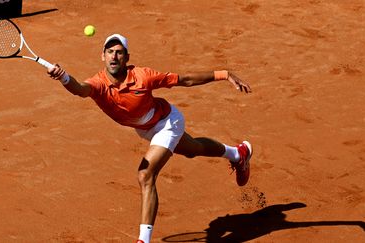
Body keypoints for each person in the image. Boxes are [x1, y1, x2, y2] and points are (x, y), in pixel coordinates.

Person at [47, 33, 253, 243]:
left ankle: (143, 240)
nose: (114, 57)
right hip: (145, 128)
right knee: (193, 150)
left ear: (127, 58)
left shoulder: (143, 76)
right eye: (110, 52)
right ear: (103, 56)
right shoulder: (98, 83)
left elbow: (185, 79)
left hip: (167, 122)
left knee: (146, 175)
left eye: (119, 53)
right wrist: (63, 77)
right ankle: (238, 153)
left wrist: (224, 74)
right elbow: (80, 90)